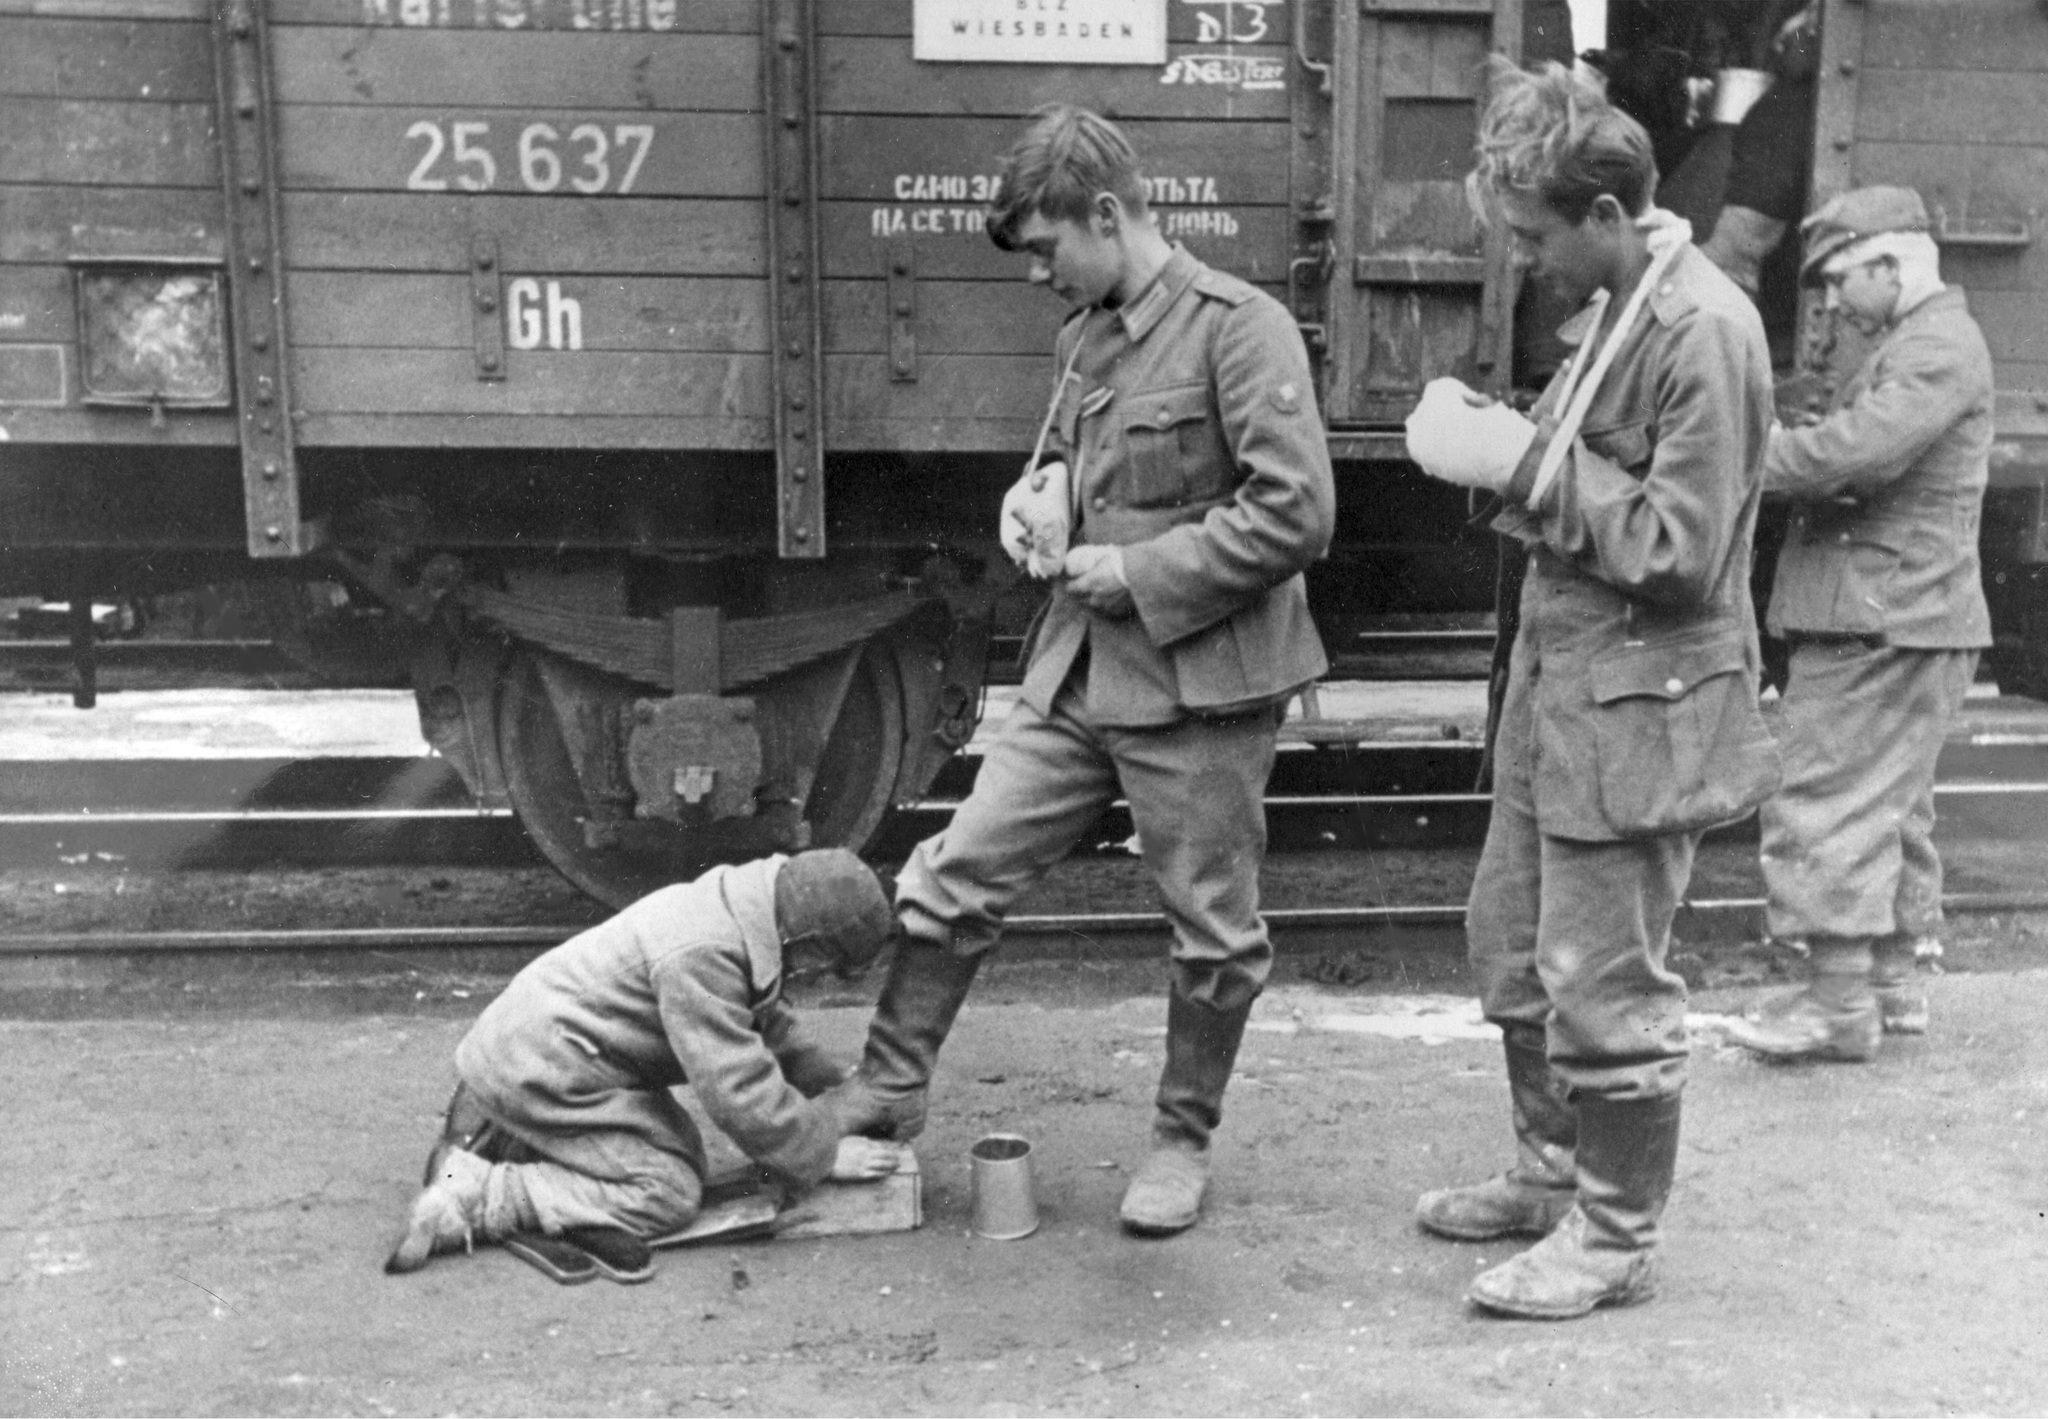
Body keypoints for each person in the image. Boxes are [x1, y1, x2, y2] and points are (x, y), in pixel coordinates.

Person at [828, 104, 1336, 1238]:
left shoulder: (1240, 329)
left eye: (1048, 247)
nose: (1037, 275)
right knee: (953, 869)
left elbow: (1294, 512)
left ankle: (1178, 1142)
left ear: (1106, 215)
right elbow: (1074, 465)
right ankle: (890, 1084)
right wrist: (1037, 501)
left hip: (1201, 681)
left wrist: (1139, 569)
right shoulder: (1085, 339)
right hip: (1078, 675)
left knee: (1210, 927)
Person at [1403, 60, 1778, 1318]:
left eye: (1532, 235)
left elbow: (1679, 552)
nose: (1523, 261)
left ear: (1605, 216)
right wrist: (1500, 437)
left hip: (1640, 708)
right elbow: (1571, 479)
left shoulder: (1700, 331)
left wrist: (1524, 465)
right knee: (1510, 950)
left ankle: (1613, 1240)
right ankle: (1551, 1173)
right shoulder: (1616, 308)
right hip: (1559, 698)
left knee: (1604, 983)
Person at [1725, 185, 1992, 1062]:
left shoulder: (1937, 350)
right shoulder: (1917, 343)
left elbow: (1851, 457)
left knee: (1825, 798)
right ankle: (1886, 987)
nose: (1834, 300)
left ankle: (1836, 1006)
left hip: (1879, 615)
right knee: (1888, 807)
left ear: (1892, 261)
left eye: (1843, 279)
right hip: (1899, 611)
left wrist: (1725, 449)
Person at [384, 849, 905, 1283]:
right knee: (670, 1190)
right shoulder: (704, 952)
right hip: (541, 1071)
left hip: (540, 1051)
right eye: (827, 968)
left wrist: (832, 1086)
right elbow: (736, 1090)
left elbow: (765, 1025)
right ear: (808, 946)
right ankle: (474, 1195)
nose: (817, 979)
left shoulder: (738, 905)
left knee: (676, 1150)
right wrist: (822, 1151)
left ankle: (496, 1142)